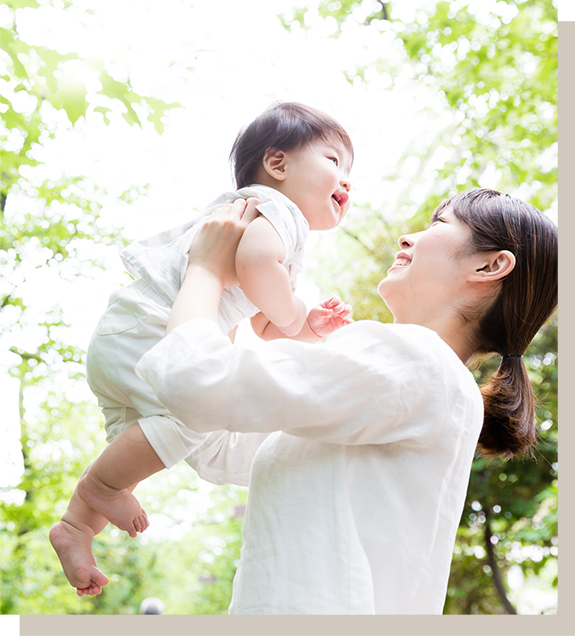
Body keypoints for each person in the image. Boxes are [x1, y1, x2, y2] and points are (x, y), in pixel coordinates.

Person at [134, 189, 557, 614]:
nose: (407, 238)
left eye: (438, 225)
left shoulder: (419, 362)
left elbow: (194, 379)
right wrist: (231, 298)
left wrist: (205, 269)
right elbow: (218, 450)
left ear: (490, 264)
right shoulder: (424, 381)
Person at [49, 102, 354, 597]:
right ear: (278, 165)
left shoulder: (261, 221)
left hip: (130, 335)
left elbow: (262, 322)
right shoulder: (279, 211)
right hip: (151, 334)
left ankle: (77, 526)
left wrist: (307, 326)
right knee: (199, 413)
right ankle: (100, 489)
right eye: (334, 161)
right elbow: (257, 264)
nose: (346, 181)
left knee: (139, 445)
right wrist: (298, 313)